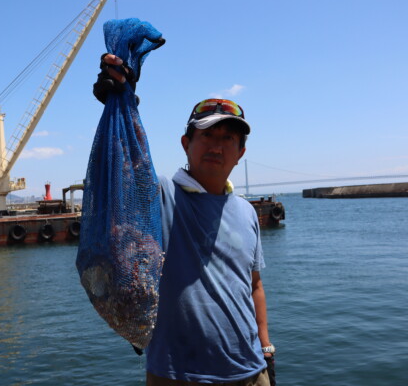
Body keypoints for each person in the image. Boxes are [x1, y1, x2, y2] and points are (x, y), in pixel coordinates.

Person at [94, 54, 275, 386]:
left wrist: (266, 347)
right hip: (177, 375)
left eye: (228, 139)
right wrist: (120, 102)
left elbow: (255, 285)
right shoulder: (161, 194)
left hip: (253, 372)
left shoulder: (247, 212)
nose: (217, 146)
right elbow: (121, 176)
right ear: (186, 144)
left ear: (240, 154)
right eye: (207, 135)